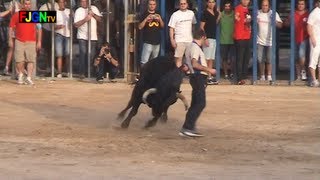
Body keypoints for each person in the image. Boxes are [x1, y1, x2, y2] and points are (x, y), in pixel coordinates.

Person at [180, 29, 216, 137]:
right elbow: (195, 64)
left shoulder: (190, 47)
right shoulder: (195, 48)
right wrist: (209, 70)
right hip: (198, 77)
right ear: (203, 37)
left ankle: (189, 126)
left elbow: (187, 65)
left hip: (194, 77)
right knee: (200, 103)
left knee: (195, 103)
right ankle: (187, 127)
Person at [9, 0, 42, 85]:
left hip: (31, 41)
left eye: (29, 4)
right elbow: (11, 27)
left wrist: (39, 41)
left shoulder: (34, 15)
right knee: (19, 60)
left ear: (30, 5)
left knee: (31, 60)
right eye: (26, 4)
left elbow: (39, 28)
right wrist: (10, 39)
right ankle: (20, 74)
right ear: (22, 5)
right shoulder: (17, 15)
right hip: (19, 40)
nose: (27, 6)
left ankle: (29, 77)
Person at [74, 0, 102, 79]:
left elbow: (100, 19)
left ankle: (90, 72)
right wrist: (85, 19)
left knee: (92, 56)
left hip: (93, 37)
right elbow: (76, 24)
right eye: (82, 2)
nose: (83, 3)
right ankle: (82, 73)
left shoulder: (94, 8)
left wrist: (93, 14)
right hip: (82, 37)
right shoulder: (78, 10)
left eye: (85, 1)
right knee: (83, 55)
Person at [257, 0, 282, 81]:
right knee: (260, 59)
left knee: (269, 59)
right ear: (261, 5)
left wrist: (274, 21)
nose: (264, 7)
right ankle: (262, 75)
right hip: (259, 40)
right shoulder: (257, 13)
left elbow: (280, 25)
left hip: (270, 41)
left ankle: (269, 75)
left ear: (269, 6)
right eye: (263, 5)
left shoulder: (273, 13)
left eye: (266, 5)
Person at [284, 0, 308, 81]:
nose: (300, 5)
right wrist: (288, 21)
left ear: (305, 5)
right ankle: (298, 76)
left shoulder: (308, 14)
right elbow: (285, 24)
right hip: (294, 38)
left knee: (302, 55)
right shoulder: (293, 13)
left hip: (304, 38)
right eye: (299, 4)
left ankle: (303, 71)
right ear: (297, 5)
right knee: (296, 57)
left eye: (302, 4)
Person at [168, 0, 197, 67]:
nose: (183, 5)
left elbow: (193, 25)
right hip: (179, 40)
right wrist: (172, 40)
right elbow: (171, 28)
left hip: (189, 40)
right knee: (178, 59)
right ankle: (178, 76)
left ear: (187, 4)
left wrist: (193, 37)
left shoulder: (191, 13)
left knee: (189, 60)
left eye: (184, 3)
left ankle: (191, 76)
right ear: (179, 5)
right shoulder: (175, 14)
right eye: (181, 4)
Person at [200, 0, 220, 85]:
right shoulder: (205, 13)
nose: (211, 4)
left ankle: (209, 77)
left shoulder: (215, 12)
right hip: (207, 38)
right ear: (207, 3)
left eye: (213, 2)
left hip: (213, 38)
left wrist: (219, 14)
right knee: (206, 59)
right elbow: (201, 27)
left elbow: (215, 23)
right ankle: (204, 77)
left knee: (211, 59)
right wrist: (205, 38)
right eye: (210, 2)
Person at [138, 0, 164, 66]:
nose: (152, 6)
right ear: (148, 5)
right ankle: (143, 76)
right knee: (144, 61)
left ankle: (152, 76)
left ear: (156, 5)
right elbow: (140, 27)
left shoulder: (158, 13)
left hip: (157, 41)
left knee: (155, 62)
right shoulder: (144, 14)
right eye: (150, 4)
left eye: (153, 4)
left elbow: (162, 26)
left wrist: (160, 19)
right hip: (148, 41)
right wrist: (146, 19)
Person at [234, 0, 251, 85]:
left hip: (247, 36)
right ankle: (239, 78)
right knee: (240, 58)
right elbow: (236, 18)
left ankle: (244, 76)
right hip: (240, 36)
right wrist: (239, 18)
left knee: (246, 58)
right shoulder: (238, 8)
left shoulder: (247, 9)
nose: (245, 1)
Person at [55, 0, 71, 78]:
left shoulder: (69, 11)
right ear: (58, 4)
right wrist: (58, 26)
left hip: (68, 35)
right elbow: (51, 26)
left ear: (65, 3)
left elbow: (74, 23)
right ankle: (59, 72)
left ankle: (67, 71)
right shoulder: (55, 12)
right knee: (59, 54)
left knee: (67, 54)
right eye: (60, 2)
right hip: (59, 34)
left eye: (63, 2)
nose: (61, 4)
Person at [220, 0, 234, 79]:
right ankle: (225, 74)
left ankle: (231, 73)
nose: (227, 8)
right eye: (226, 6)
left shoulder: (234, 14)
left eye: (229, 6)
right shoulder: (221, 14)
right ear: (223, 7)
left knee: (232, 58)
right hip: (223, 40)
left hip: (232, 40)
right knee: (224, 58)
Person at [307, 0, 320, 87]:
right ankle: (314, 80)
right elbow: (309, 25)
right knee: (313, 60)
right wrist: (312, 38)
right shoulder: (314, 13)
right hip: (316, 40)